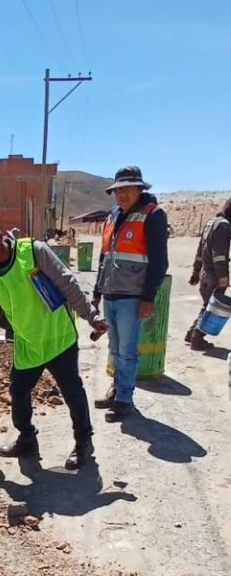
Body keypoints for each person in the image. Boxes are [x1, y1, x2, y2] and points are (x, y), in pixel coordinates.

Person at [0, 217, 107, 470]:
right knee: (18, 391)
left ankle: (84, 442)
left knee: (72, 391)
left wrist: (91, 316)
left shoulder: (34, 251)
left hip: (58, 337)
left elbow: (68, 283)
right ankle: (27, 439)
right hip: (29, 345)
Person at [93, 166, 168, 420]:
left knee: (127, 350)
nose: (122, 194)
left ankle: (125, 398)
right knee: (114, 349)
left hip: (132, 296)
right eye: (118, 190)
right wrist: (96, 292)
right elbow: (104, 257)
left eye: (127, 189)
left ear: (139, 188)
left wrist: (148, 298)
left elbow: (160, 262)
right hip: (111, 293)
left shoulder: (153, 215)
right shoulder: (112, 215)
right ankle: (117, 389)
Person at [185, 198, 231, 350]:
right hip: (214, 275)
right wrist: (223, 276)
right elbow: (219, 255)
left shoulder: (211, 222)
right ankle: (197, 337)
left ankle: (192, 332)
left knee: (207, 306)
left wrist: (196, 271)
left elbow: (200, 250)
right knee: (212, 308)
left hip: (205, 272)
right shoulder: (224, 226)